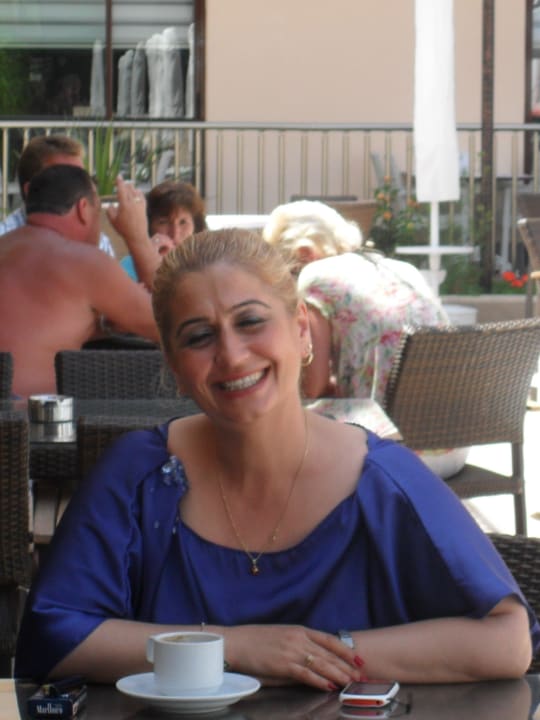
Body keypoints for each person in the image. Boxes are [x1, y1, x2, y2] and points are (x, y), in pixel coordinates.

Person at [15, 228, 538, 688]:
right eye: (200, 336)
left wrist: (307, 654)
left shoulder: (382, 482)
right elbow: (54, 637)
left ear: (301, 329)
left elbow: (508, 640)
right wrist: (240, 648)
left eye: (250, 321)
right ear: (174, 366)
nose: (231, 354)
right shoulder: (139, 474)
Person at [262, 201, 468, 479]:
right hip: (455, 446)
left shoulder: (316, 275)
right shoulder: (403, 269)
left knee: (279, 419)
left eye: (285, 273)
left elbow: (312, 385)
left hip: (393, 454)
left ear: (304, 253)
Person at [0, 164, 160, 397]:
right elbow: (169, 324)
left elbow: (32, 326)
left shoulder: (5, 246)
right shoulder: (84, 261)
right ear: (83, 209)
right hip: (23, 416)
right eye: (98, 212)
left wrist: (102, 325)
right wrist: (138, 237)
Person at [0, 134, 115, 258]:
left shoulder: (99, 243)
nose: (80, 188)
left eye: (82, 179)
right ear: (31, 191)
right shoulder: (4, 242)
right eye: (64, 182)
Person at [121, 179, 207, 281]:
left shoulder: (206, 265)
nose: (175, 233)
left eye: (183, 222)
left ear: (196, 227)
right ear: (148, 226)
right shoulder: (128, 267)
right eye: (164, 222)